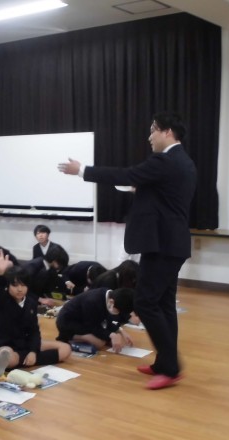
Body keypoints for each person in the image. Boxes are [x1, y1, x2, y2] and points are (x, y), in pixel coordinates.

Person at [58, 111, 197, 390]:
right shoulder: (184, 162)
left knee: (144, 303)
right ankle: (165, 363)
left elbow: (127, 174)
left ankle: (171, 368)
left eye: (153, 130)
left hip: (162, 245)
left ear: (167, 132)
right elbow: (162, 196)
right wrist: (139, 189)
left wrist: (82, 170)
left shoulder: (165, 160)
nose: (149, 136)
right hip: (171, 243)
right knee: (163, 304)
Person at [0, 249, 71, 369]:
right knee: (6, 356)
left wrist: (33, 351)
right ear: (8, 286)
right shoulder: (2, 300)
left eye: (23, 285)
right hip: (3, 344)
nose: (20, 289)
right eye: (15, 285)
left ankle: (24, 360)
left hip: (24, 343)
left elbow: (34, 331)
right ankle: (21, 360)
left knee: (65, 349)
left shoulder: (30, 302)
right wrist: (1, 272)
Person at [55, 287, 134, 351]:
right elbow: (92, 326)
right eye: (119, 311)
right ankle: (68, 338)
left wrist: (120, 331)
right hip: (69, 323)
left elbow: (106, 320)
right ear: (112, 302)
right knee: (99, 343)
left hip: (85, 321)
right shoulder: (92, 301)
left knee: (108, 338)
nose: (119, 313)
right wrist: (111, 335)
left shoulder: (109, 296)